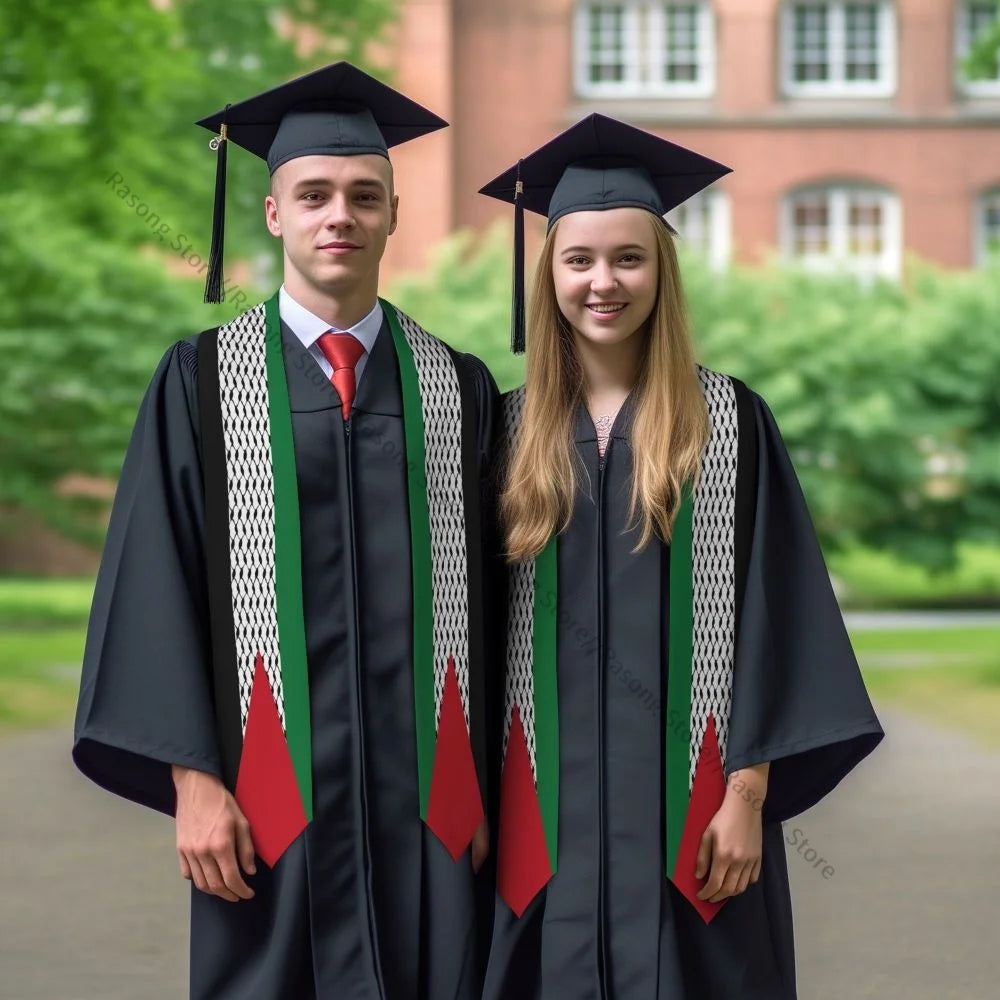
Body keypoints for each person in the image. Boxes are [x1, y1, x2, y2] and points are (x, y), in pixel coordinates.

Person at [73, 62, 497, 1000]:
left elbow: (514, 603)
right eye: (313, 195)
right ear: (273, 215)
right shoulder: (201, 383)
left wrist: (496, 790)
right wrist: (191, 782)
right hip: (271, 806)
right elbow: (155, 581)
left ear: (394, 213)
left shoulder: (457, 391)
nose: (337, 215)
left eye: (362, 196)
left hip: (431, 810)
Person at [478, 114, 884, 999]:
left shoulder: (729, 424)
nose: (603, 282)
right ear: (546, 274)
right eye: (578, 259)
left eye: (630, 258)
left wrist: (747, 799)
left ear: (664, 273)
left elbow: (781, 617)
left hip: (695, 825)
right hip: (539, 826)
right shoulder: (501, 431)